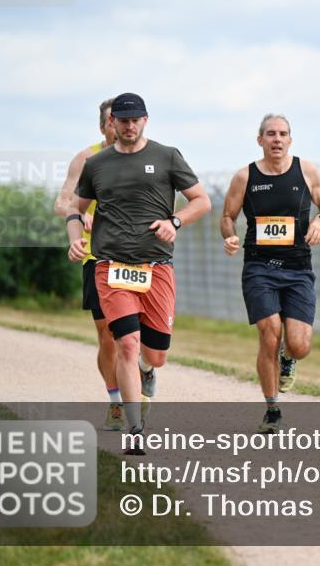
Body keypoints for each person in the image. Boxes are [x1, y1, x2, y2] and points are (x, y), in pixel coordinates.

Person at [66, 93, 211, 449]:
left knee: (155, 354)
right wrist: (74, 238)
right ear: (111, 122)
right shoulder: (97, 164)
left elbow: (202, 201)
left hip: (156, 267)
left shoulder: (167, 157)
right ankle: (134, 430)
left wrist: (174, 221)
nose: (129, 126)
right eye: (122, 120)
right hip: (111, 266)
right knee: (126, 344)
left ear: (145, 120)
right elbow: (76, 207)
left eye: (135, 120)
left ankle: (148, 372)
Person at [221, 114, 320, 433]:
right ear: (260, 140)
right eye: (270, 134)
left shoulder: (306, 170)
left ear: (290, 139)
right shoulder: (246, 176)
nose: (277, 139)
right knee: (269, 331)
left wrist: (318, 222)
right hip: (259, 265)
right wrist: (228, 235)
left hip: (298, 267)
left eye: (283, 134)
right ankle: (272, 409)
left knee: (299, 345)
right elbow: (227, 216)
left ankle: (289, 357)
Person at [54, 98, 124, 430]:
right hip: (97, 256)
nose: (121, 125)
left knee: (136, 333)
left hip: (135, 255)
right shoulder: (86, 158)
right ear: (103, 126)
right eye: (114, 121)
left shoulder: (144, 157)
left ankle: (144, 369)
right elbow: (63, 202)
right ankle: (115, 401)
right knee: (108, 336)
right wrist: (79, 217)